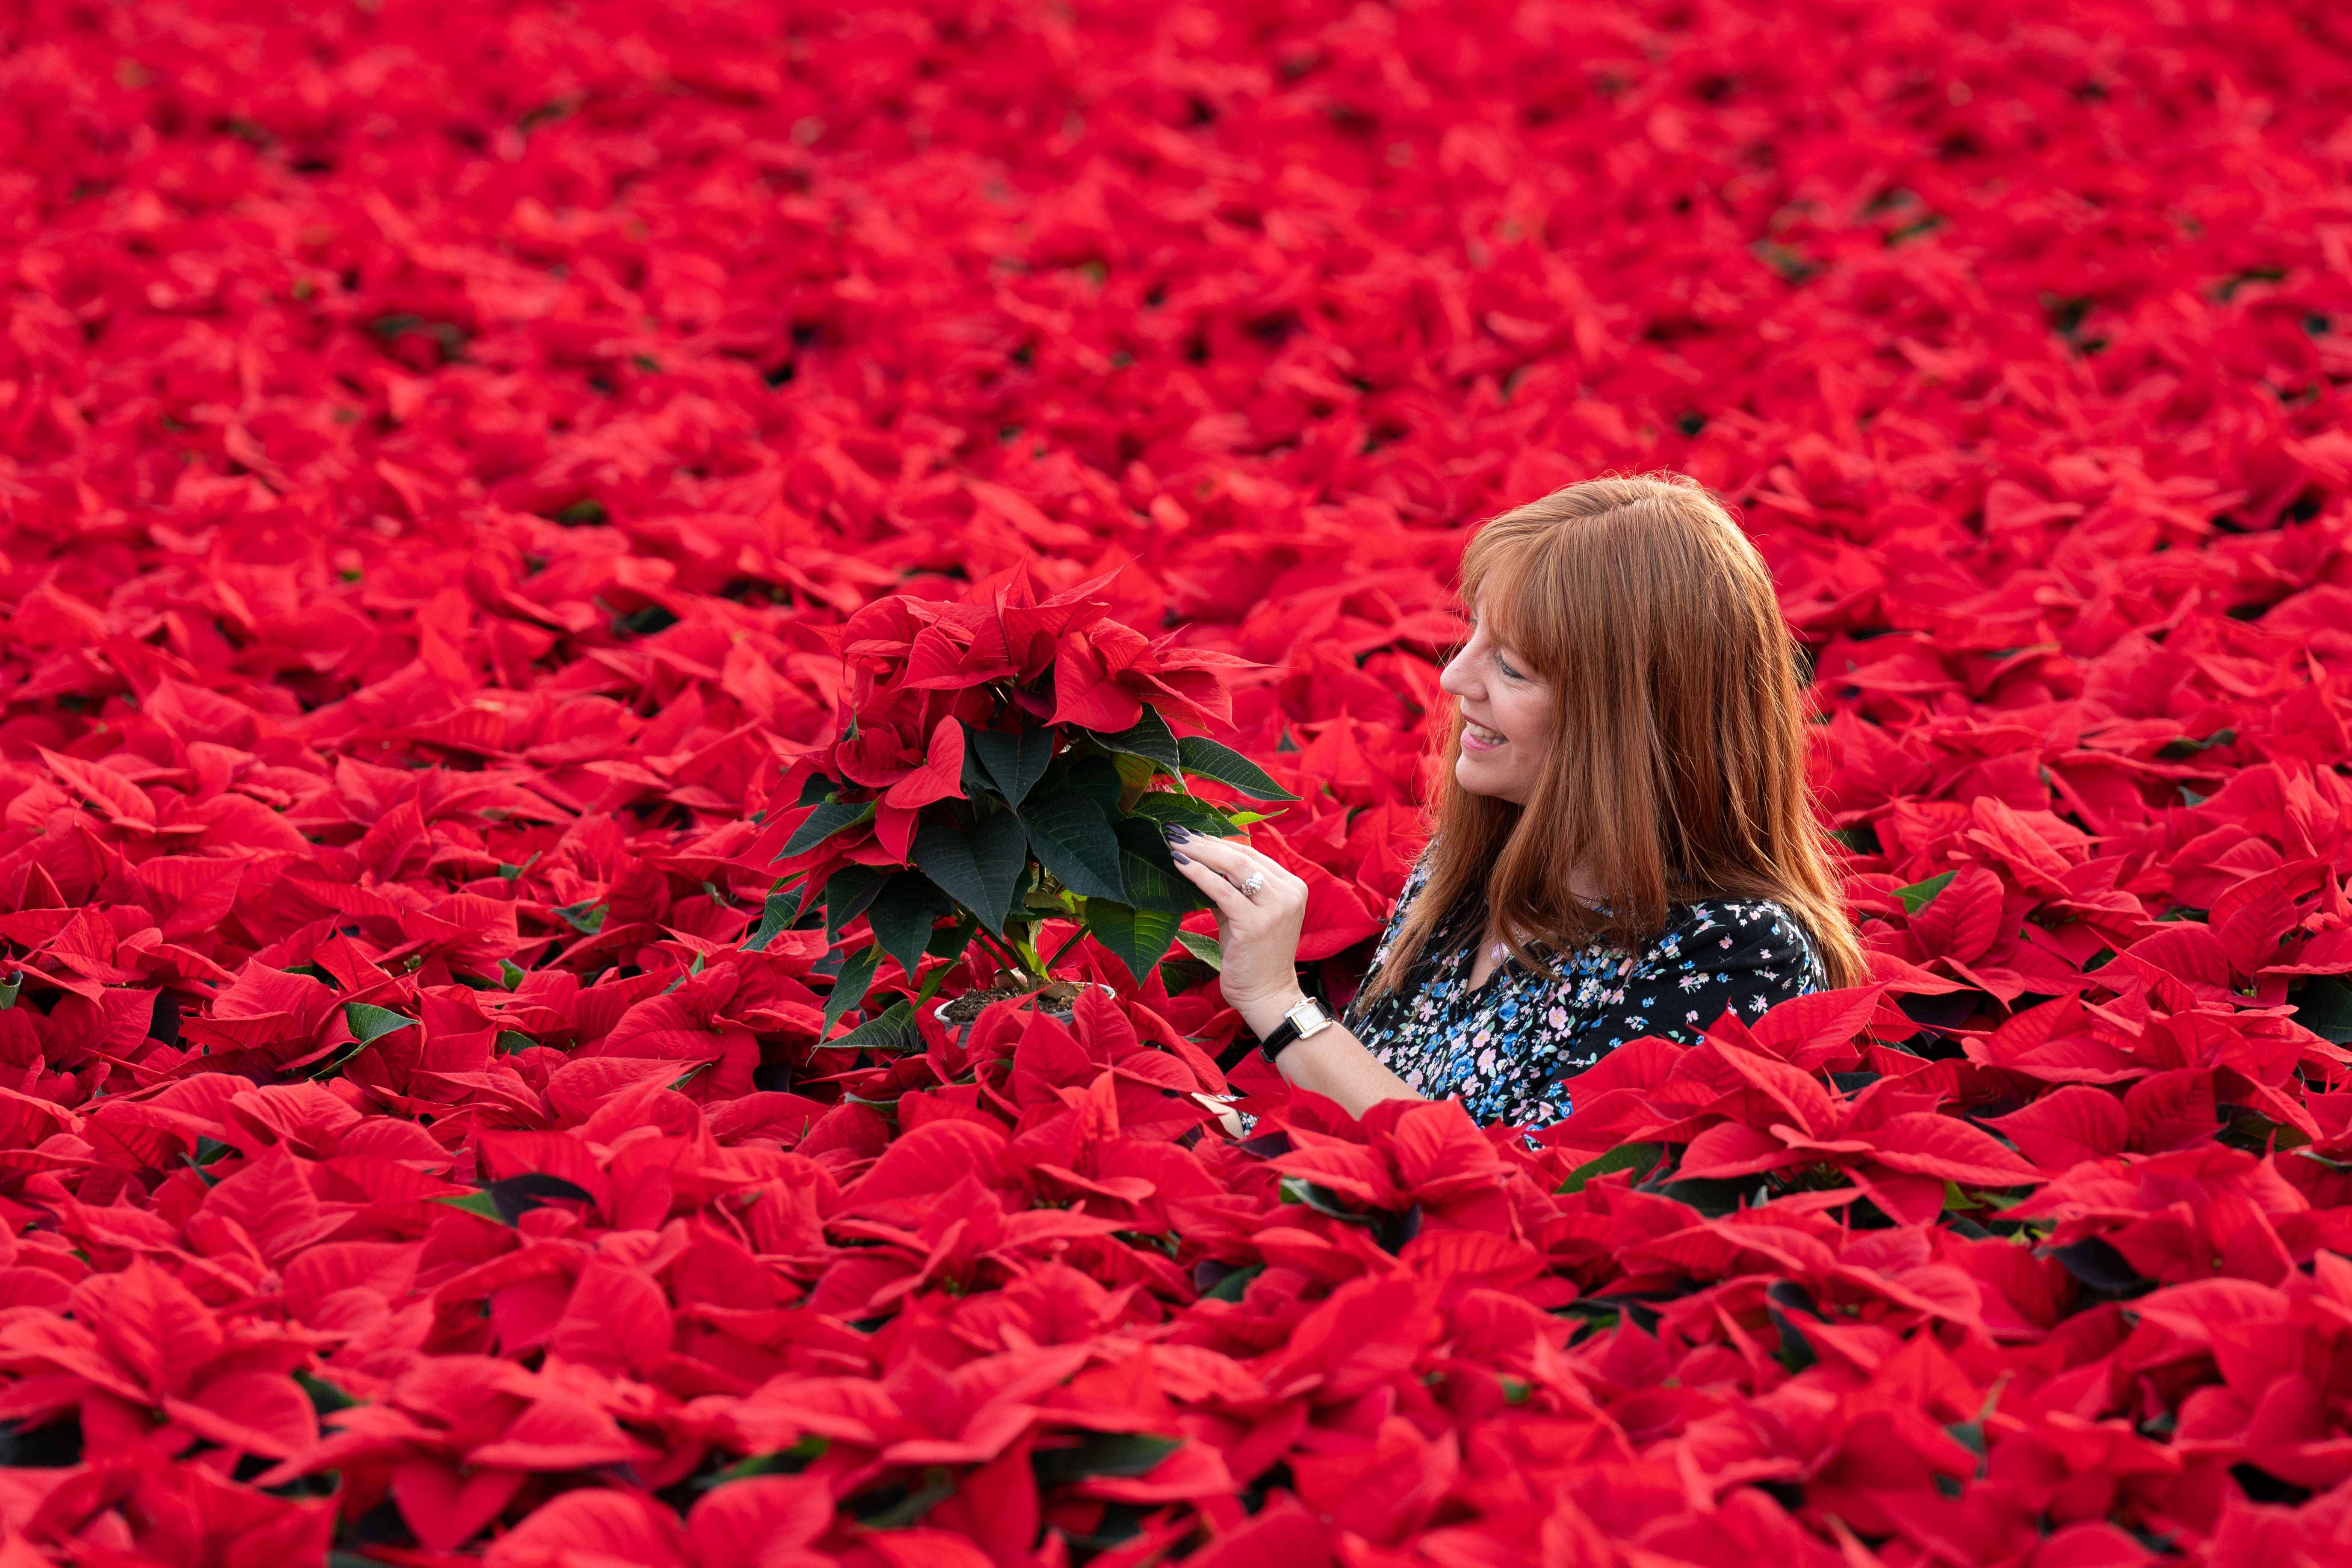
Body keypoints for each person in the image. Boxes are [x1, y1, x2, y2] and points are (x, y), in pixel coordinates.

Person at [1167, 472, 1865, 1126]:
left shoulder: (1735, 952)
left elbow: (1516, 1185)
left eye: (1511, 666)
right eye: (1473, 633)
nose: (1454, 679)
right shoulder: (1472, 870)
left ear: (1624, 721)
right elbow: (1351, 1127)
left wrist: (1278, 1003)